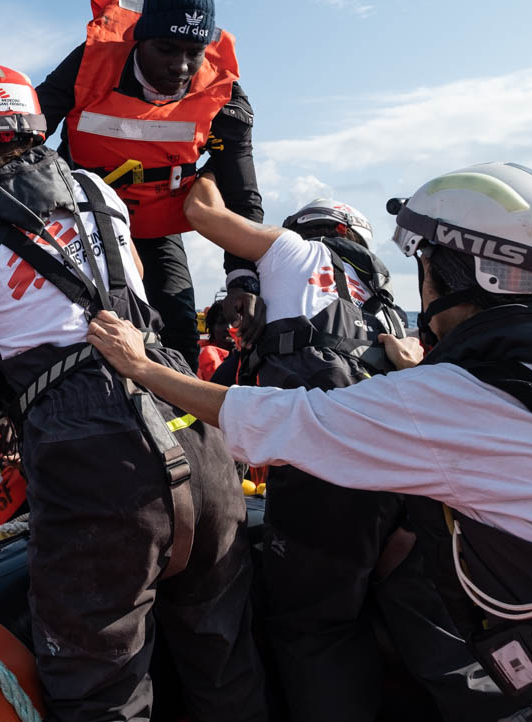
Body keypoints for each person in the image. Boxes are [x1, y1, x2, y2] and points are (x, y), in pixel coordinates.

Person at [88, 162, 532, 722]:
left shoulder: (454, 396)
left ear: (468, 276)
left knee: (310, 622)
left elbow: (277, 420)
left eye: (431, 267)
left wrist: (145, 368)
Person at [0, 58, 262, 721]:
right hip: (190, 427)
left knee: (100, 690)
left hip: (94, 462)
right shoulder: (102, 195)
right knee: (224, 662)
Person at [185, 179, 500, 720]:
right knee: (439, 638)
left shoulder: (294, 251)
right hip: (408, 486)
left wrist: (214, 149)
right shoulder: (385, 304)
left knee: (315, 630)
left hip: (325, 475)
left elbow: (203, 212)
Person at [35, 0, 264, 370]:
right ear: (140, 39)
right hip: (79, 220)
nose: (180, 66)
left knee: (177, 330)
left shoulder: (225, 93)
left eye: (194, 52)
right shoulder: (89, 63)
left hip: (157, 228)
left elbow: (241, 192)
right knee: (69, 325)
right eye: (167, 49)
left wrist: (243, 279)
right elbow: (28, 132)